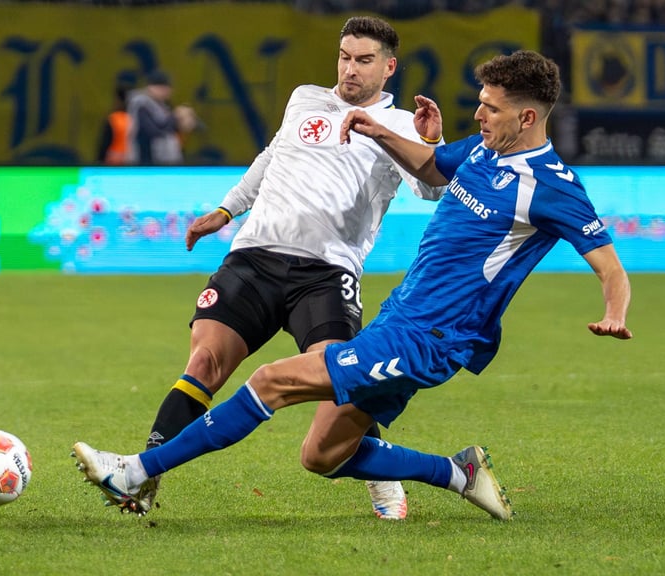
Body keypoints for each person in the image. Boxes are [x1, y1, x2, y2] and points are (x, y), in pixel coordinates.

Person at [72, 49, 633, 521]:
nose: (479, 114)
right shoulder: (485, 150)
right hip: (401, 316)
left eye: (491, 108)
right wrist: (377, 130)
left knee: (271, 381)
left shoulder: (551, 187)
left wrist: (615, 312)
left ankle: (135, 471)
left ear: (528, 118)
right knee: (322, 454)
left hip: (430, 337)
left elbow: (610, 265)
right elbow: (435, 168)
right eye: (481, 103)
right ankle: (456, 472)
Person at [129, 16, 448, 520]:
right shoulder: (304, 97)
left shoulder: (404, 123)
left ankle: (383, 481)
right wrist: (227, 210)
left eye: (364, 61)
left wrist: (433, 141)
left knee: (342, 382)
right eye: (345, 56)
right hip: (254, 255)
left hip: (326, 272)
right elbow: (270, 158)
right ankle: (144, 474)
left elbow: (432, 190)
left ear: (388, 67)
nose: (350, 69)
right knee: (205, 362)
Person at [126, 70, 197, 165]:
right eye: (165, 88)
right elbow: (153, 131)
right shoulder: (142, 105)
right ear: (154, 87)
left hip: (162, 158)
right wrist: (175, 118)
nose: (168, 92)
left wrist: (184, 123)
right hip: (145, 158)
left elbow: (168, 127)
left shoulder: (162, 105)